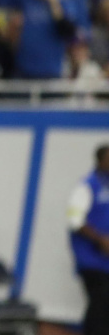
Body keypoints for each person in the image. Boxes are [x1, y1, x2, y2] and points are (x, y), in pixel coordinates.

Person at [68, 144, 109, 335]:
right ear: (101, 160)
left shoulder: (105, 185)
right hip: (91, 259)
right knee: (100, 301)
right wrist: (101, 239)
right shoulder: (87, 185)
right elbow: (74, 220)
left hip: (105, 261)